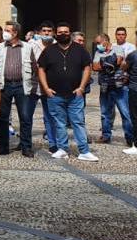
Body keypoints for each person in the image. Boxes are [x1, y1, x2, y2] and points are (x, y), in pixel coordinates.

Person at [36, 22, 97, 161]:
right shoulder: (49, 50)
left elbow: (87, 68)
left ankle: (84, 151)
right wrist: (46, 88)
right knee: (59, 123)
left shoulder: (80, 50)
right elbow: (41, 69)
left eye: (66, 32)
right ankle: (62, 149)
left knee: (78, 122)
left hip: (75, 94)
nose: (63, 34)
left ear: (69, 33)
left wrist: (82, 87)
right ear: (56, 34)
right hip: (55, 94)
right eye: (60, 32)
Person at [0, 21, 32, 157]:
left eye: (7, 30)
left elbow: (34, 66)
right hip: (4, 85)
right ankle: (3, 147)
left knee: (25, 117)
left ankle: (26, 147)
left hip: (21, 85)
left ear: (15, 33)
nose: (4, 32)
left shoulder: (27, 47)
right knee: (3, 118)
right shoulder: (0, 47)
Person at [94, 33, 133, 147]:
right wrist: (109, 63)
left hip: (119, 86)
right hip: (105, 86)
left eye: (98, 42)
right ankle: (106, 136)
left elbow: (118, 62)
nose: (97, 45)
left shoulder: (118, 48)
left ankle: (130, 137)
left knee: (125, 113)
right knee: (105, 113)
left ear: (105, 41)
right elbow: (95, 67)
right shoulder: (98, 52)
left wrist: (104, 63)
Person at [25, 21, 57, 151]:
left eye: (49, 31)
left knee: (50, 117)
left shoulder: (57, 45)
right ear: (39, 32)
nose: (46, 33)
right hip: (32, 86)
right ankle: (25, 143)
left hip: (49, 87)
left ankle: (53, 143)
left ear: (53, 33)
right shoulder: (31, 45)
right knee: (26, 116)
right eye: (44, 31)